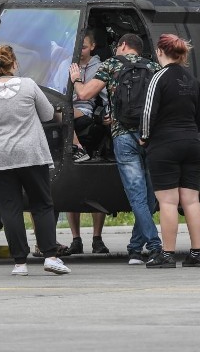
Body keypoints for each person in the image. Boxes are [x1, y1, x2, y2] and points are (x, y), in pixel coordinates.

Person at [0, 45, 70, 276]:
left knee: (9, 209)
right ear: (14, 64)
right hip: (31, 153)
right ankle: (50, 256)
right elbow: (46, 114)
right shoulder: (29, 85)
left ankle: (20, 263)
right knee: (42, 205)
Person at [69, 33, 162, 265]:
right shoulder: (152, 66)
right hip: (149, 136)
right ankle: (134, 247)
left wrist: (76, 79)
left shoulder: (110, 64)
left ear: (122, 46)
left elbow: (84, 95)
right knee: (150, 197)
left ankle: (154, 246)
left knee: (136, 195)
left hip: (122, 136)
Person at [140, 34, 200, 268]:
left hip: (165, 144)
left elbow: (149, 112)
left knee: (168, 201)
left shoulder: (158, 77)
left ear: (160, 52)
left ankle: (167, 254)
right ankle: (197, 253)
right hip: (191, 142)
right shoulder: (192, 80)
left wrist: (145, 137)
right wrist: (191, 134)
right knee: (191, 200)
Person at [66, 30, 110, 255]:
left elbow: (106, 95)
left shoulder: (99, 67)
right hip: (67, 119)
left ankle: (97, 237)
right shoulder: (66, 62)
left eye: (83, 46)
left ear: (92, 46)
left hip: (84, 115)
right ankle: (75, 238)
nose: (79, 51)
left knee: (94, 183)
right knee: (69, 185)